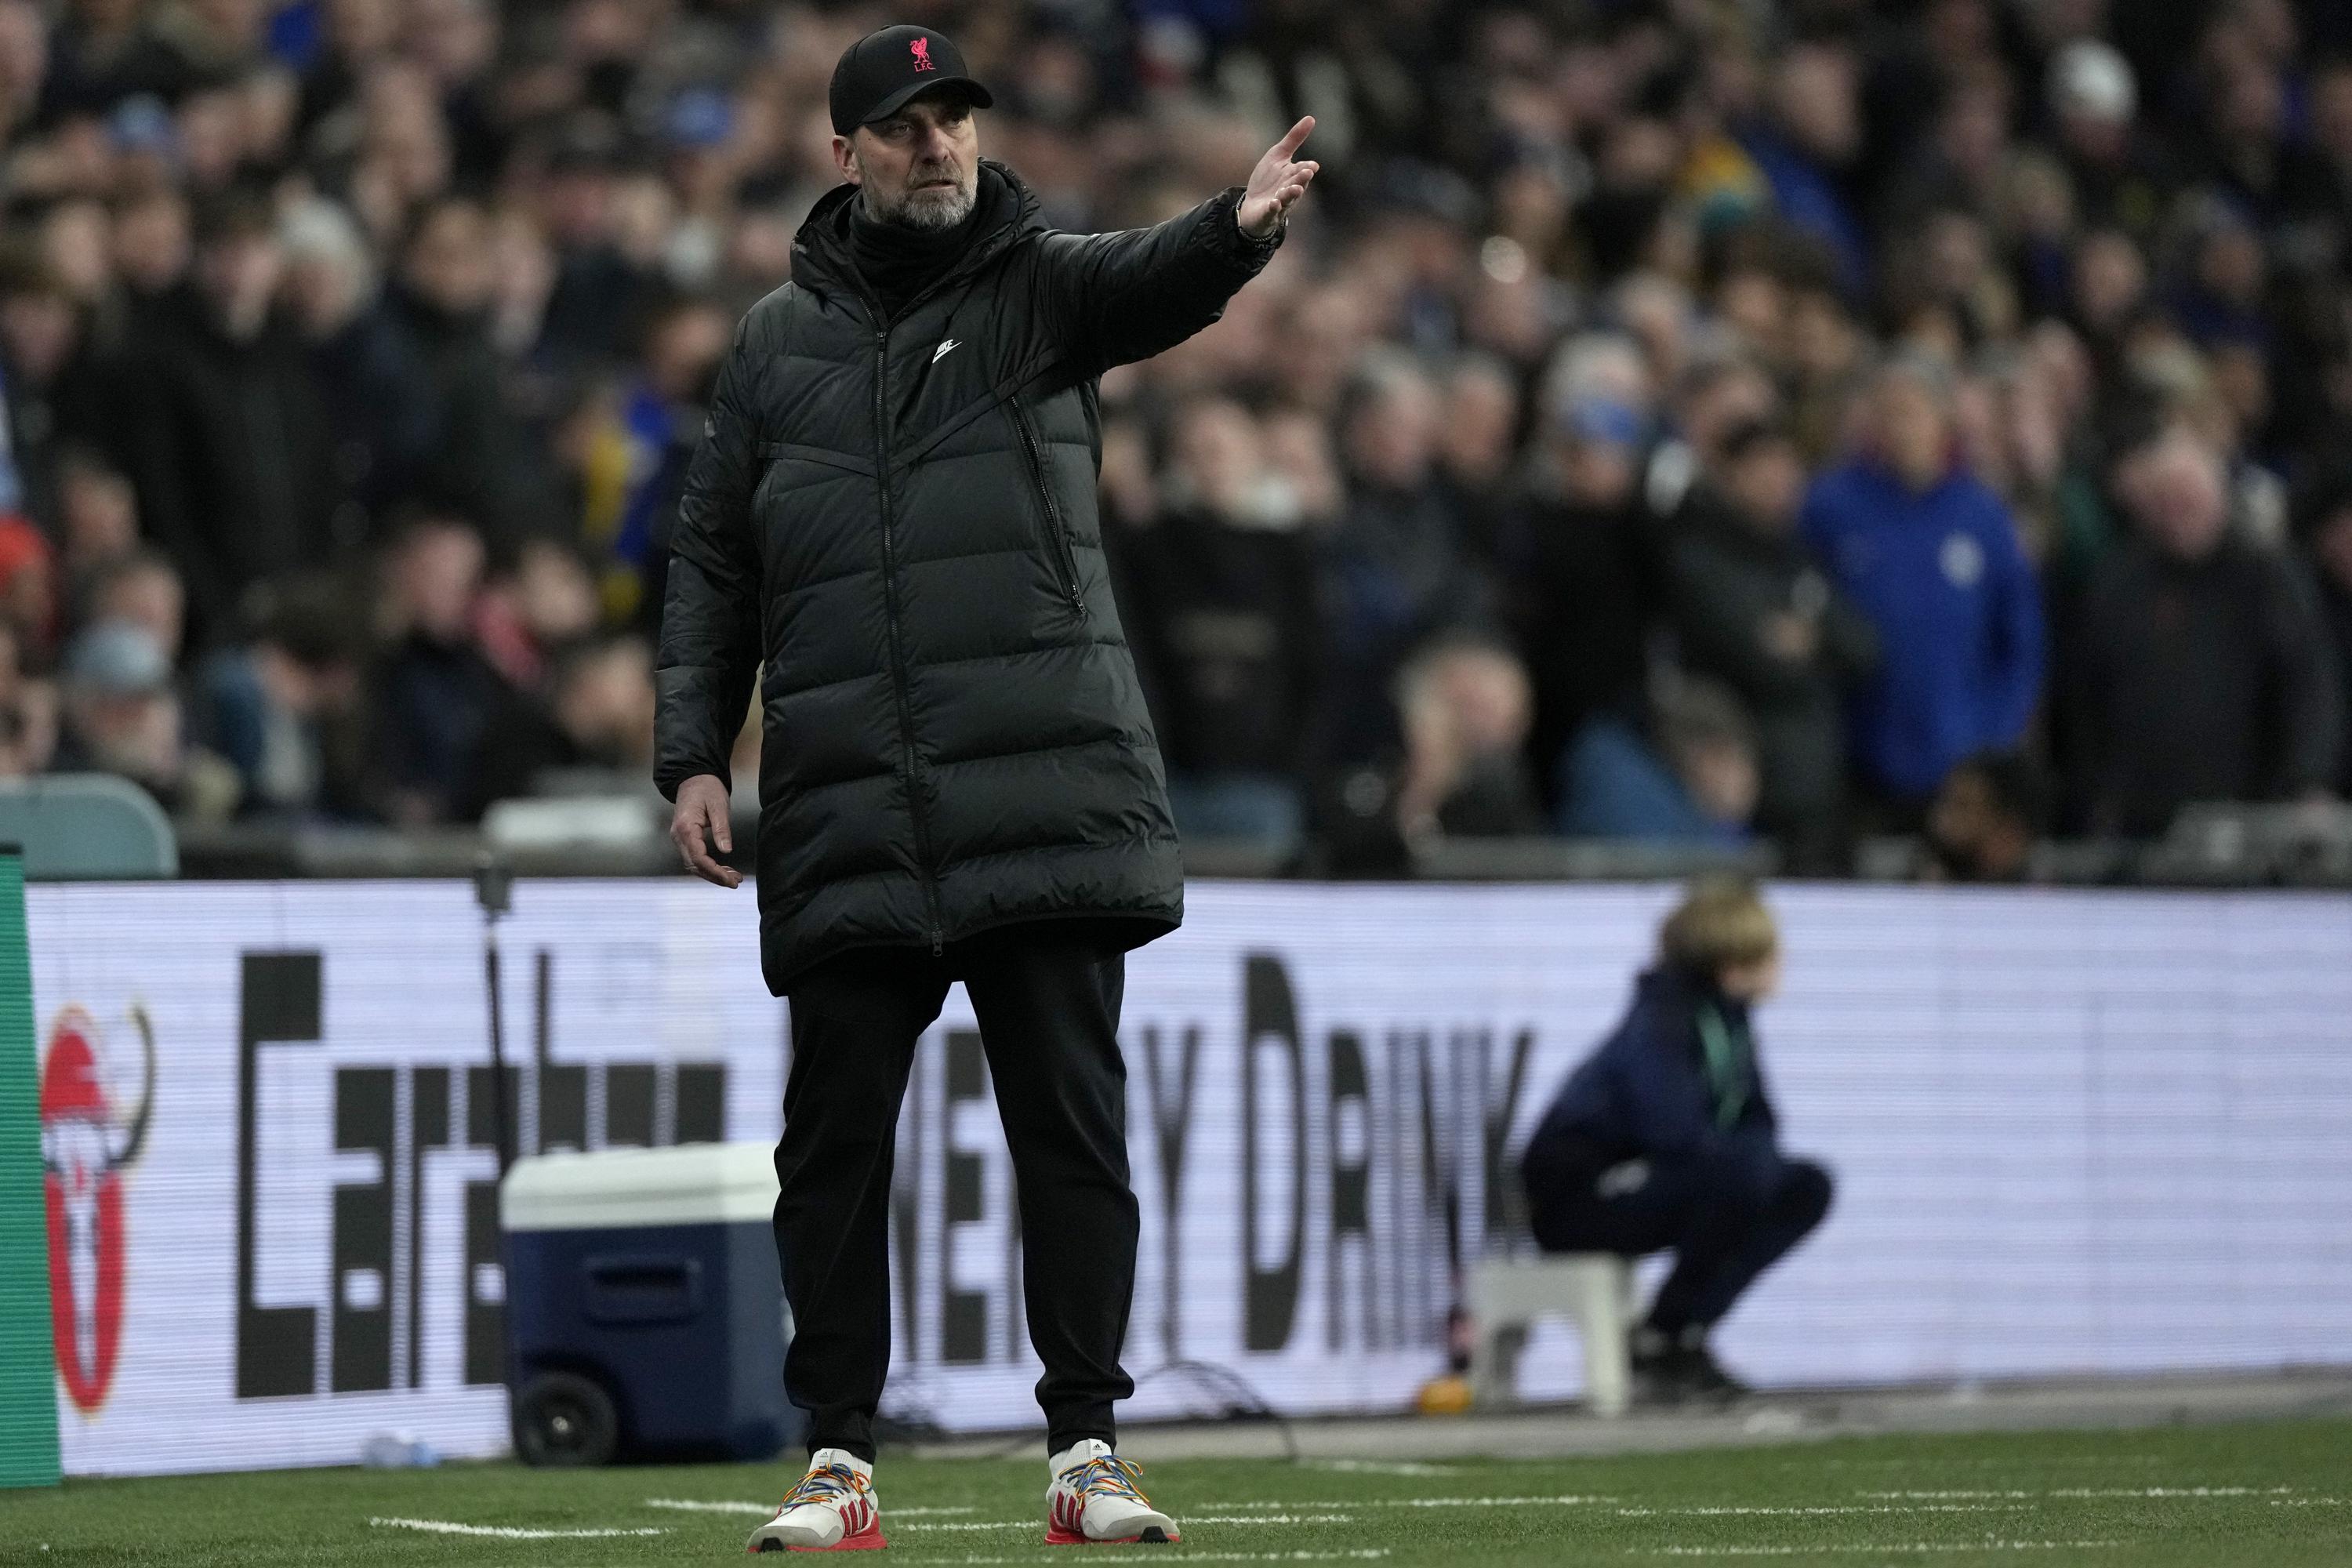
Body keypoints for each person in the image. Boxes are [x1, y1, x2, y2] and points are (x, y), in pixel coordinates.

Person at [652, 25, 1314, 1554]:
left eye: (954, 117)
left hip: (1040, 793)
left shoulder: (1037, 289)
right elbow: (713, 561)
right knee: (830, 1153)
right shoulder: (771, 346)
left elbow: (1150, 277)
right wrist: (690, 748)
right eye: (904, 124)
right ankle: (838, 1460)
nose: (938, 142)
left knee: (1068, 1133)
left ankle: (1087, 1449)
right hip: (850, 800)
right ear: (845, 155)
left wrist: (1234, 227)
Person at [1518, 880, 1833, 1404]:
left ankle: (1674, 1329)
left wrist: (1753, 1160)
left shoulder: (1729, 1021)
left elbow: (1759, 1120)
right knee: (1746, 1173)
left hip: (1654, 1182)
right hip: (1577, 1201)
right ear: (1734, 965)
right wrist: (1745, 1160)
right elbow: (1670, 1129)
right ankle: (1666, 1338)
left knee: (1805, 1186)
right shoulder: (1662, 1021)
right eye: (1771, 954)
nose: (1783, 964)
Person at [1802, 354, 2044, 823]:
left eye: (1911, 412)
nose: (1900, 428)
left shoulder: (1982, 515)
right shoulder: (1831, 506)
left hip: (1961, 762)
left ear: (1943, 418)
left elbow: (2019, 639)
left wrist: (1997, 732)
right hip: (1858, 758)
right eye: (1887, 413)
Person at [2068, 430, 2339, 836]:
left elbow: (2307, 685)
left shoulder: (2266, 578)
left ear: (2219, 496)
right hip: (2141, 813)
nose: (2177, 515)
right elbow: (2088, 693)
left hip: (2249, 808)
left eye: (2189, 500)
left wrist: (2309, 778)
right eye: (2165, 503)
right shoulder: (2119, 583)